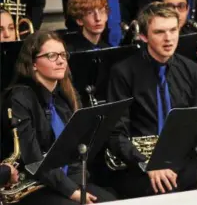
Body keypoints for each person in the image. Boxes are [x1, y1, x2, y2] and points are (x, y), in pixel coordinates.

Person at [107, 2, 197, 198]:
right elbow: (116, 135)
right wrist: (147, 165)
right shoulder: (123, 73)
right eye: (159, 32)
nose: (168, 38)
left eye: (173, 30)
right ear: (143, 36)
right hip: (140, 165)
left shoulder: (192, 70)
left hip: (184, 160)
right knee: (167, 188)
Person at [1, 31, 117, 204]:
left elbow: (76, 153)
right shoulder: (19, 98)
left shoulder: (66, 96)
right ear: (33, 63)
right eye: (51, 56)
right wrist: (73, 192)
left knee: (112, 200)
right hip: (34, 185)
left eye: (63, 55)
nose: (61, 61)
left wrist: (78, 186)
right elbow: (34, 159)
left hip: (67, 181)